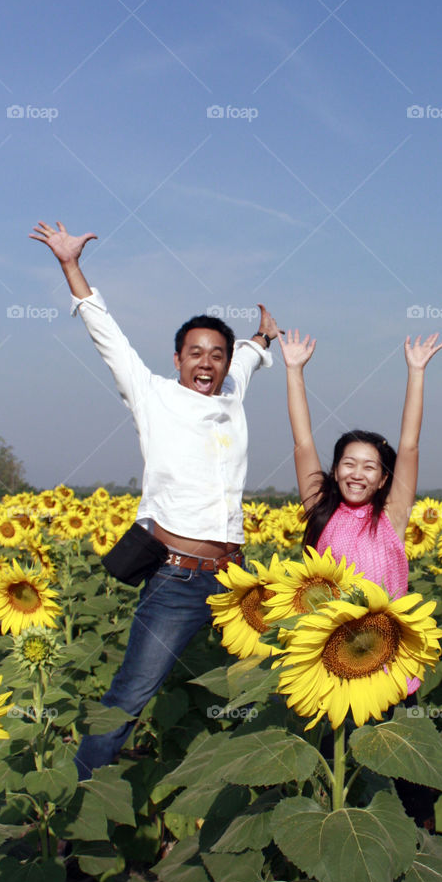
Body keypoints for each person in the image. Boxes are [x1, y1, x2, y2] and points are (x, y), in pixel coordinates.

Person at [30, 220, 278, 778]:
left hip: (237, 578)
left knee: (272, 686)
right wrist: (71, 264)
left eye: (215, 354)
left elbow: (247, 356)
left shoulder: (233, 389)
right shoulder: (152, 395)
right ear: (177, 359)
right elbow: (106, 334)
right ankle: (73, 805)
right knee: (129, 697)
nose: (208, 364)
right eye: (196, 354)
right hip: (178, 578)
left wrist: (263, 338)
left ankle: (254, 794)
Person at [278, 326, 442, 609]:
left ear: (382, 480)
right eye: (349, 463)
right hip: (327, 639)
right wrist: (294, 369)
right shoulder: (321, 506)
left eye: (369, 467)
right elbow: (303, 445)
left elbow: (409, 447)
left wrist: (416, 372)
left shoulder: (392, 514)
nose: (357, 474)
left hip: (383, 641)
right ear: (335, 471)